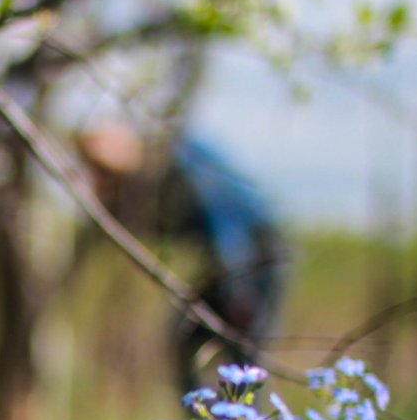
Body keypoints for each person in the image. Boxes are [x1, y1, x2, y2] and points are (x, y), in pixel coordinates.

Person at [78, 124, 288, 389]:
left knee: (244, 355)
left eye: (103, 170)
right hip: (223, 264)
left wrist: (239, 291)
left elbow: (221, 218)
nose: (101, 178)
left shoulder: (179, 167)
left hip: (254, 258)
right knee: (183, 339)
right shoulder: (145, 184)